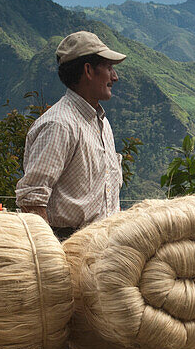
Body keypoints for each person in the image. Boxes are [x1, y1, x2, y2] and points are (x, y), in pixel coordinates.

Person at [16, 30, 126, 241]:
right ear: (88, 70)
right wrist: (52, 252)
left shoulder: (101, 123)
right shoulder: (59, 125)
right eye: (109, 68)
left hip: (102, 245)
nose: (115, 77)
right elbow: (32, 199)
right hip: (69, 246)